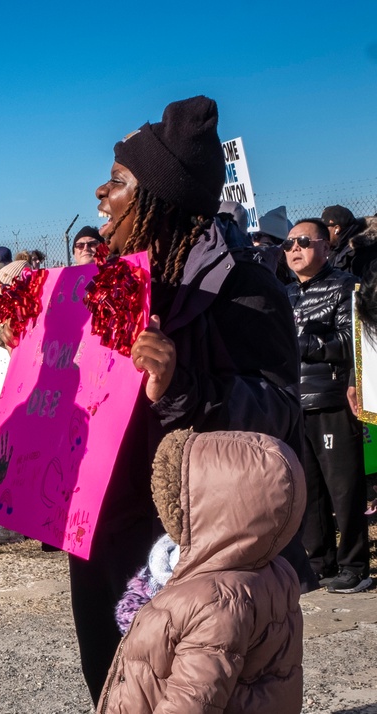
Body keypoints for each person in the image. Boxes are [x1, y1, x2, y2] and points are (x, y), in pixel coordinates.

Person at [78, 95, 311, 705]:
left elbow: (279, 409)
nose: (100, 196)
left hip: (189, 547)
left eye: (117, 182)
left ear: (159, 199)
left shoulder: (243, 287)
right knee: (112, 686)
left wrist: (184, 389)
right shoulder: (108, 287)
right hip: (101, 534)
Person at [98, 430, 305, 713]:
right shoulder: (272, 569)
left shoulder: (214, 602)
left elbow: (192, 703)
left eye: (173, 495)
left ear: (211, 506)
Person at [285, 218, 371, 593]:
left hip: (333, 399)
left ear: (326, 246)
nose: (294, 249)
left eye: (303, 241)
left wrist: (301, 344)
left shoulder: (344, 286)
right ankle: (319, 561)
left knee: (343, 487)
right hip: (294, 401)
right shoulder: (283, 293)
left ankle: (355, 566)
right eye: (288, 245)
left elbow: (349, 341)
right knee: (308, 490)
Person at [323, 204, 377, 281]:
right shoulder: (334, 248)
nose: (321, 232)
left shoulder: (363, 250)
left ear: (336, 229)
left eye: (324, 228)